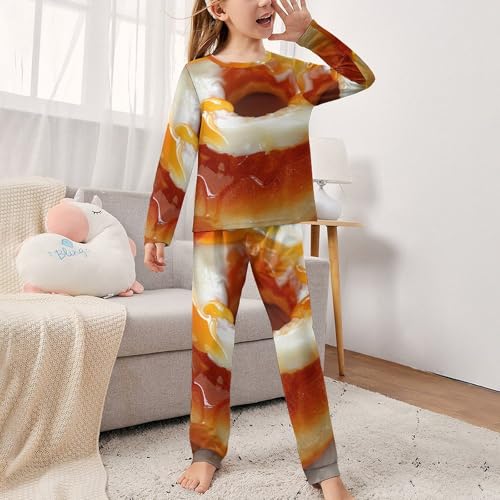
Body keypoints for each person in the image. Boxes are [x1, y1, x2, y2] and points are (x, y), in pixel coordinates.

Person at [143, 0, 375, 497]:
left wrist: (310, 34)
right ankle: (206, 453)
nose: (267, 1)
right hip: (216, 232)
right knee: (211, 344)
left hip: (280, 232)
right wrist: (158, 229)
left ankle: (325, 467)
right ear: (219, 9)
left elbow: (360, 78)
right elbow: (177, 150)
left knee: (300, 348)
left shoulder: (293, 74)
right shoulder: (199, 76)